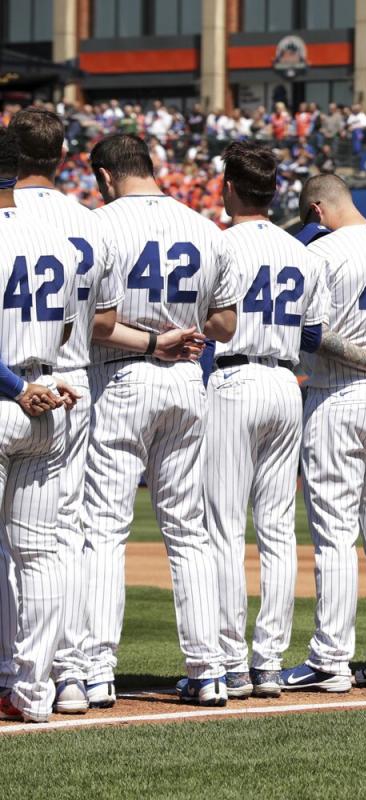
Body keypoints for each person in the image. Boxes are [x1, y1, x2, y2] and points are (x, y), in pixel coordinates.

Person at [7, 108, 200, 716]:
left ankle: (18, 669)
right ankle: (62, 678)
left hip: (13, 382)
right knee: (58, 541)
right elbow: (98, 319)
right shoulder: (84, 222)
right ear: (63, 157)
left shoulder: (26, 223)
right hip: (69, 386)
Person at [80, 134, 240, 707]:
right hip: (187, 382)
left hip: (124, 374)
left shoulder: (98, 225)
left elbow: (99, 326)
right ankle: (208, 669)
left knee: (103, 528)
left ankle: (96, 670)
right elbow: (225, 323)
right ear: (152, 166)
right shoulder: (204, 227)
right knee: (188, 530)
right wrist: (187, 331)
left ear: (104, 176)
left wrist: (154, 340)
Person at [275, 175, 366, 693]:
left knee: (335, 534)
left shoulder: (322, 253)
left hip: (341, 394)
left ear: (315, 209)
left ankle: (330, 660)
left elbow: (310, 332)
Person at [201, 144, 328, 699]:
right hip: (285, 382)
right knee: (277, 528)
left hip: (236, 379)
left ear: (231, 187)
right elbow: (314, 331)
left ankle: (230, 659)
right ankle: (269, 662)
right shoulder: (299, 252)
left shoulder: (219, 242)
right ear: (274, 191)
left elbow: (209, 319)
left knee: (225, 526)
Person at [0, 127, 79, 723]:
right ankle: (34, 692)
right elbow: (71, 331)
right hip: (47, 398)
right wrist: (41, 380)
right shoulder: (55, 239)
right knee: (40, 554)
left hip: (11, 396)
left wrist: (18, 386)